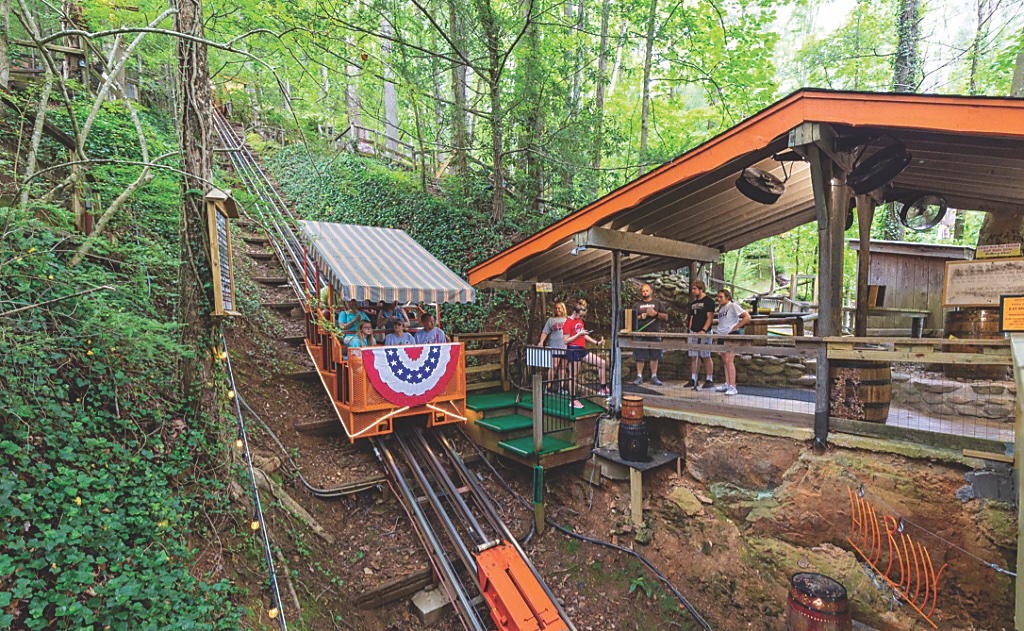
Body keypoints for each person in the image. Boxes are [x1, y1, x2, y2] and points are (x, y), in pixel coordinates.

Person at [562, 300, 608, 408]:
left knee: (602, 363)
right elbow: (566, 340)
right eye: (580, 315)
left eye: (583, 316)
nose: (581, 317)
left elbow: (584, 335)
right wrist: (578, 334)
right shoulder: (568, 323)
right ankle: (572, 400)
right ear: (575, 312)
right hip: (573, 349)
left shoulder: (580, 321)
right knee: (573, 375)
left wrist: (596, 342)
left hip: (582, 349)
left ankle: (602, 388)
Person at [714, 289, 751, 396]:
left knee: (730, 360)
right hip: (722, 334)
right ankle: (727, 382)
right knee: (725, 360)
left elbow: (747, 317)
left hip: (731, 334)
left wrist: (735, 327)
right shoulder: (721, 308)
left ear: (727, 297)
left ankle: (733, 386)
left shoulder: (733, 306)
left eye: (721, 297)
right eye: (718, 297)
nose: (719, 299)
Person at [631, 283, 667, 386]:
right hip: (640, 333)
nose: (644, 292)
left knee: (654, 356)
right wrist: (640, 317)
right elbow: (631, 318)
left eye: (646, 290)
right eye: (643, 291)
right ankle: (639, 376)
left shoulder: (657, 303)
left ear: (651, 291)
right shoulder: (637, 304)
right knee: (639, 356)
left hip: (654, 333)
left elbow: (666, 317)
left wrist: (655, 314)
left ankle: (654, 376)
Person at [686, 280, 717, 391]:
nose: (693, 291)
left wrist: (704, 330)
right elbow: (691, 317)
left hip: (705, 332)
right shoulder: (693, 304)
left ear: (701, 289)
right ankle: (694, 378)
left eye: (695, 289)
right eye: (692, 289)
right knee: (694, 356)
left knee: (705, 355)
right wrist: (690, 330)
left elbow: (710, 317)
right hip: (693, 332)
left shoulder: (709, 301)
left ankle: (709, 379)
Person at [538, 302, 568, 392]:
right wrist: (541, 342)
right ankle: (548, 387)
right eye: (556, 308)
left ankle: (561, 387)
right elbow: (545, 332)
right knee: (553, 366)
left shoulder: (568, 320)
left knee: (563, 367)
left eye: (560, 308)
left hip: (565, 346)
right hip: (555, 347)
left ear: (563, 309)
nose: (558, 310)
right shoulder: (551, 320)